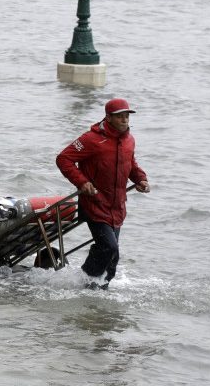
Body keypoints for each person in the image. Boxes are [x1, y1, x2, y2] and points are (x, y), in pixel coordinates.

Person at [55, 98, 150, 290]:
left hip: (117, 206)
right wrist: (82, 182)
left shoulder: (129, 140)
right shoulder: (91, 139)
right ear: (108, 117)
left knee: (112, 255)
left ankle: (99, 290)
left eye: (127, 116)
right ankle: (86, 283)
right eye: (120, 116)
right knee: (109, 247)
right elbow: (64, 159)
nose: (124, 120)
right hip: (95, 204)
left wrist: (140, 179)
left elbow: (131, 164)